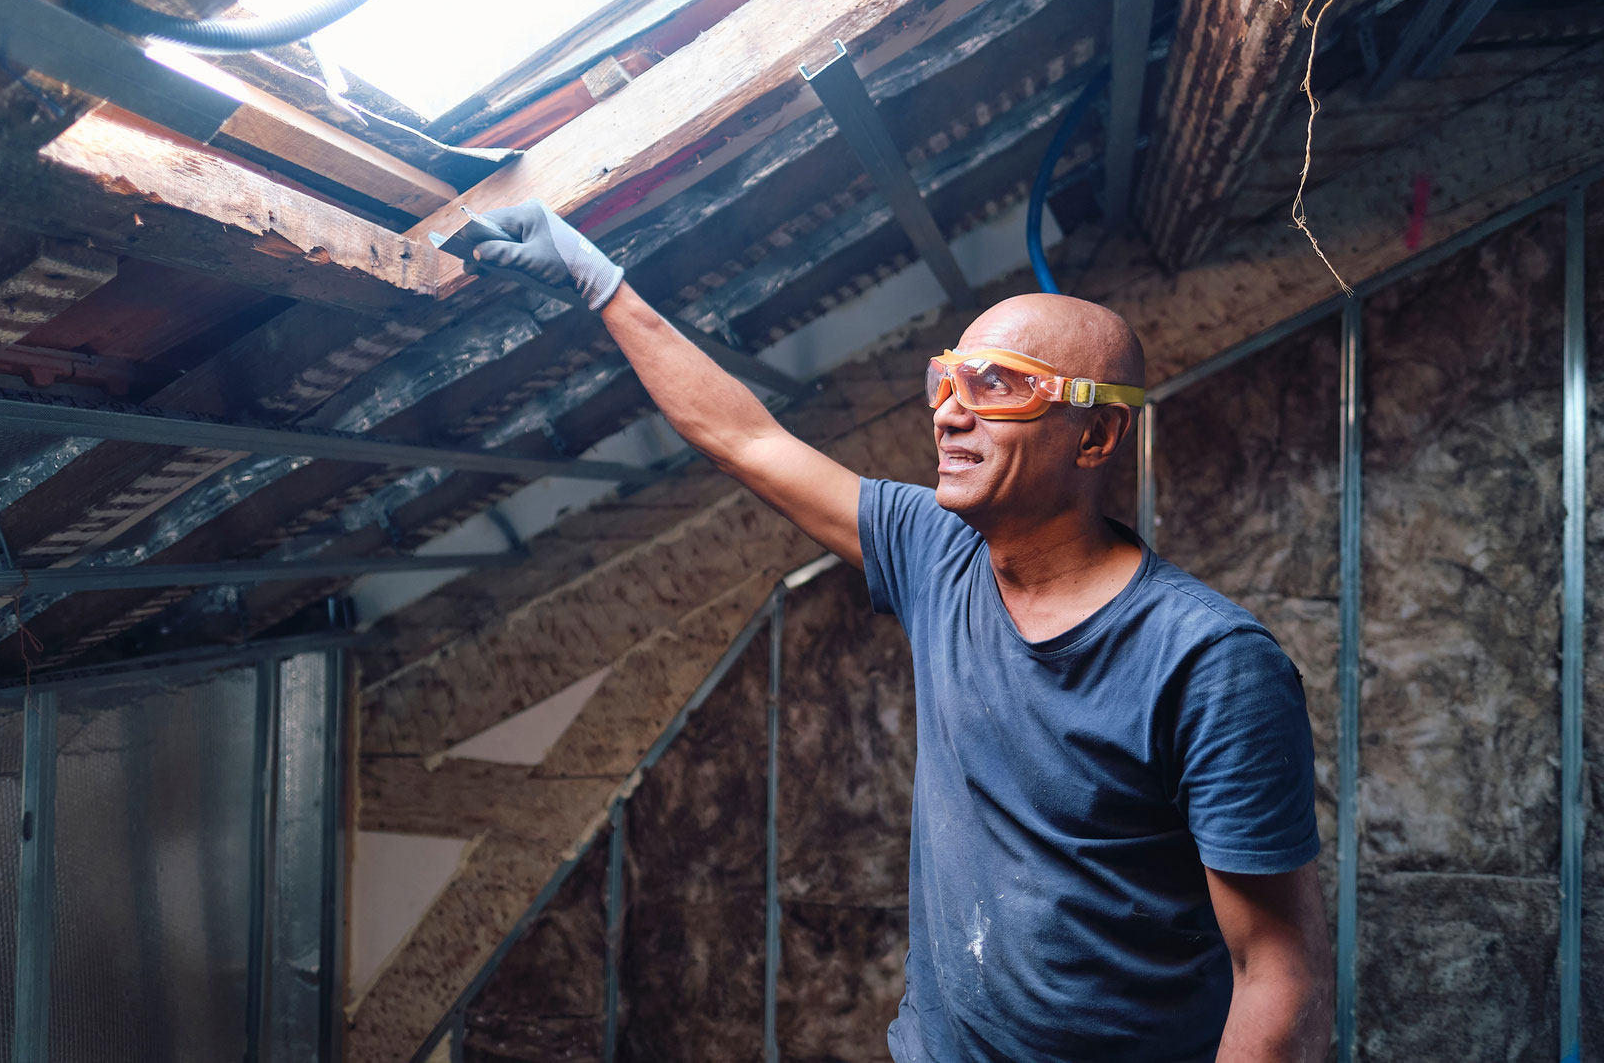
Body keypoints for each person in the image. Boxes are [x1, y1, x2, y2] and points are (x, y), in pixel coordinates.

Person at [467, 200, 1333, 1062]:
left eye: (998, 387)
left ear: (1097, 433)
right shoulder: (938, 550)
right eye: (947, 381)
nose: (950, 413)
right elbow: (744, 437)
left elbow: (1278, 972)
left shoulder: (1209, 665)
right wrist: (600, 280)